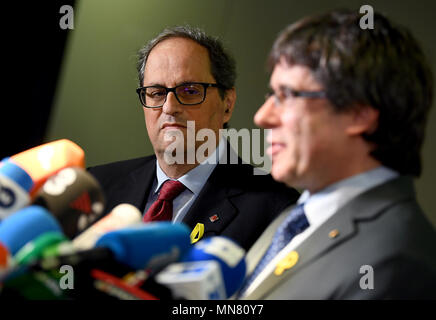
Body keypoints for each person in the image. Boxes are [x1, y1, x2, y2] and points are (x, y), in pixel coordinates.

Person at [239, 9, 436, 299]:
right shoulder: (293, 219)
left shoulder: (396, 263)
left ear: (358, 114)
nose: (262, 116)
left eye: (286, 96)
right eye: (271, 95)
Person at [88, 25, 299, 251]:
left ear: (227, 103)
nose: (169, 107)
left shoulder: (276, 209)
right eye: (157, 93)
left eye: (189, 91)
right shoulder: (95, 187)